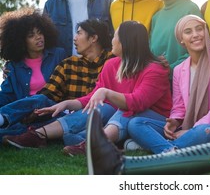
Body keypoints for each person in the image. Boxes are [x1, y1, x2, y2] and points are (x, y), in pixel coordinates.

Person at [4, 21, 172, 155]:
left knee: (126, 110)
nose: (112, 38)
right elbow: (94, 96)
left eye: (116, 35)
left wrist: (106, 92)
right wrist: (67, 104)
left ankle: (93, 145)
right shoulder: (112, 64)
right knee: (102, 106)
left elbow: (137, 102)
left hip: (153, 121)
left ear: (125, 41)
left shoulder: (154, 69)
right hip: (120, 121)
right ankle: (39, 135)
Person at [127, 15, 210, 154]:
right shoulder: (179, 69)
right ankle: (173, 151)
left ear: (206, 31)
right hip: (187, 127)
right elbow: (179, 106)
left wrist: (191, 130)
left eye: (199, 29)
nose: (196, 35)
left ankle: (164, 150)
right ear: (181, 39)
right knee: (136, 123)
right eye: (188, 31)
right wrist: (174, 121)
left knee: (204, 131)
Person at [0, 19, 113, 142]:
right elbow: (49, 93)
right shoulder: (69, 63)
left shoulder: (113, 62)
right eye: (32, 36)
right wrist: (34, 112)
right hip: (65, 115)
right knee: (41, 100)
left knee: (31, 127)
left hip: (96, 115)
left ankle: (27, 134)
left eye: (79, 33)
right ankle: (3, 119)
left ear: (93, 38)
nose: (74, 38)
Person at [145, 0, 202, 74]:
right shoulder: (156, 17)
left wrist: (170, 69)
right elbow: (151, 52)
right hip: (158, 80)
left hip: (183, 79)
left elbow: (197, 49)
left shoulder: (190, 9)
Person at [0, 7, 66, 110]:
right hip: (25, 114)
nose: (38, 37)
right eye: (31, 35)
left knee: (40, 99)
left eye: (40, 33)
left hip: (53, 109)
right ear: (21, 41)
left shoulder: (58, 55)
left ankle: (4, 118)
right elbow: (7, 95)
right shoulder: (13, 66)